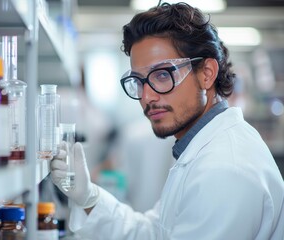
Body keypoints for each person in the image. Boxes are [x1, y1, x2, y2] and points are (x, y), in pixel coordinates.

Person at [50, 2, 284, 239]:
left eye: (163, 75)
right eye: (138, 81)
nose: (147, 96)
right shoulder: (199, 150)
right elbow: (153, 232)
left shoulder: (225, 170)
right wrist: (88, 196)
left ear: (206, 74)